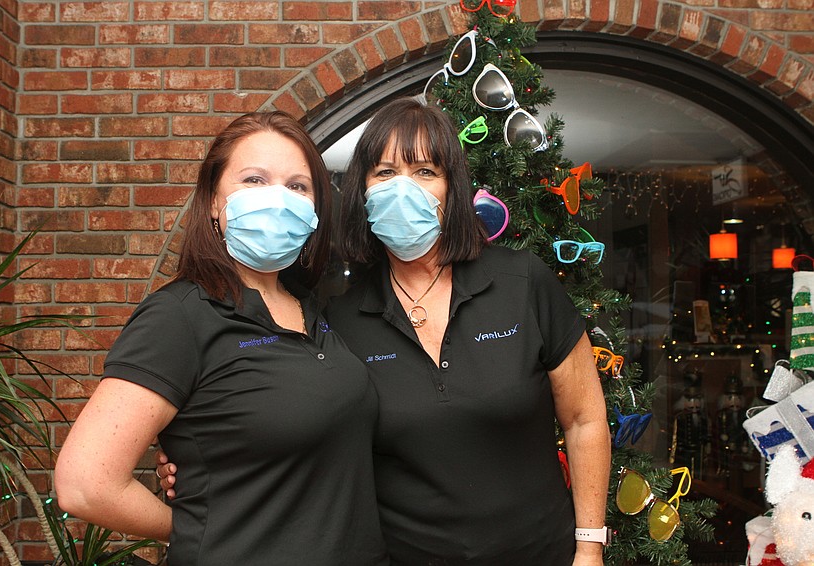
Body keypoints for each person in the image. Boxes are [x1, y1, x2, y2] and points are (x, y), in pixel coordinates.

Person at [158, 97, 611, 565]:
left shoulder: (522, 282)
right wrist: (197, 463)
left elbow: (585, 418)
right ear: (362, 191)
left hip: (543, 554)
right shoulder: (336, 318)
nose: (404, 190)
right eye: (386, 173)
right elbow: (303, 426)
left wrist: (589, 545)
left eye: (426, 172)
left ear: (453, 190)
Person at [54, 111, 389, 565]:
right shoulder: (179, 315)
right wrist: (201, 527)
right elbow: (84, 483)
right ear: (214, 201)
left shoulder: (314, 310)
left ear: (314, 210)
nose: (278, 199)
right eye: (254, 180)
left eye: (298, 186)